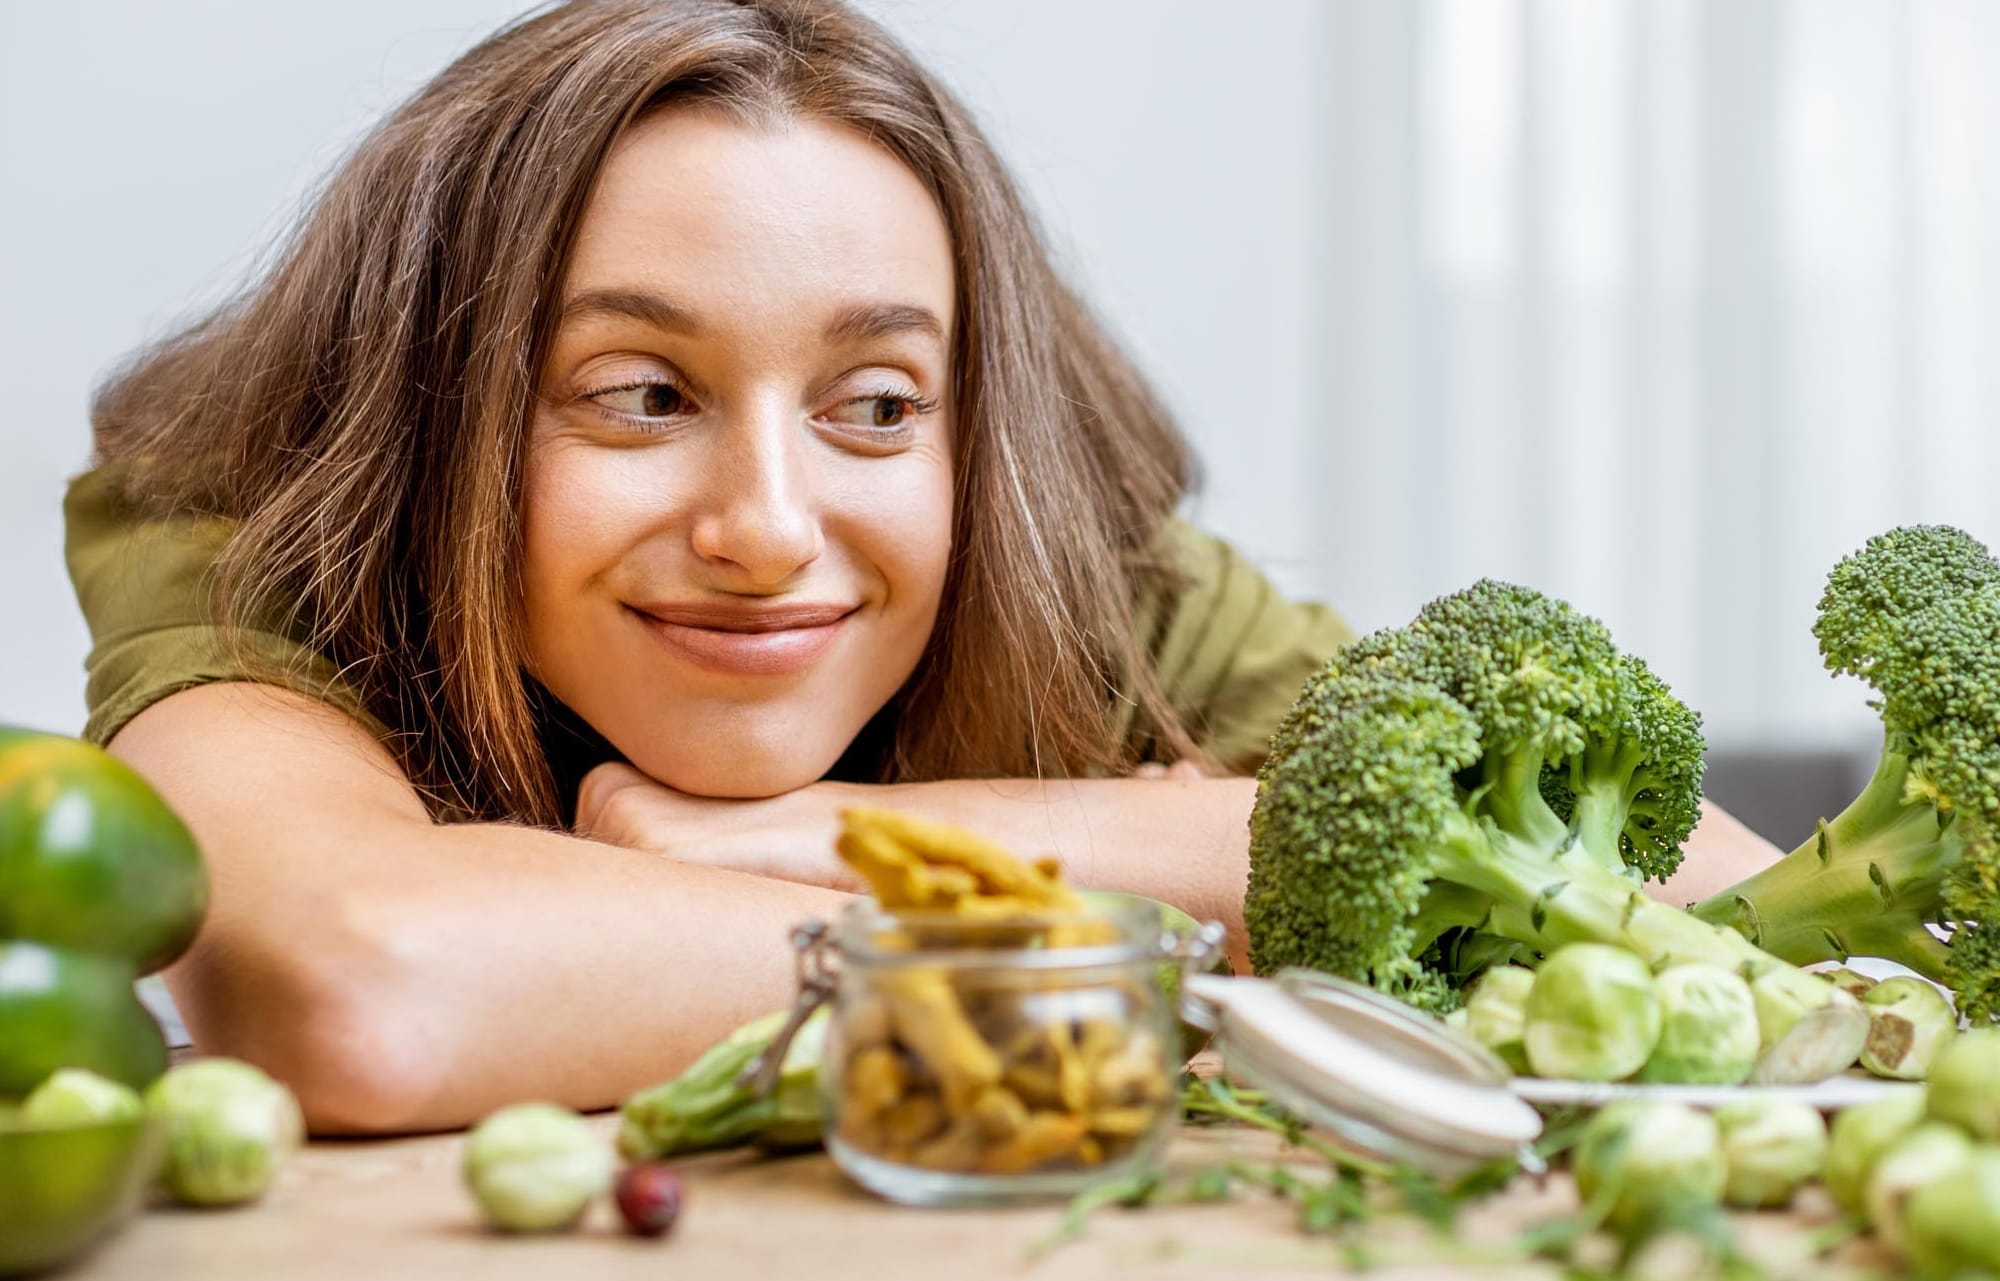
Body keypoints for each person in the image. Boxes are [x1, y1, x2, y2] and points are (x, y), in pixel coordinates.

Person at [64, 0, 1774, 1135]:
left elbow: (1723, 897)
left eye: (877, 405)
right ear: (437, 405)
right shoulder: (247, 533)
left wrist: (842, 840)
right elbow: (364, 983)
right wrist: (1169, 901)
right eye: (641, 395)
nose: (768, 528)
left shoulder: (1076, 571)